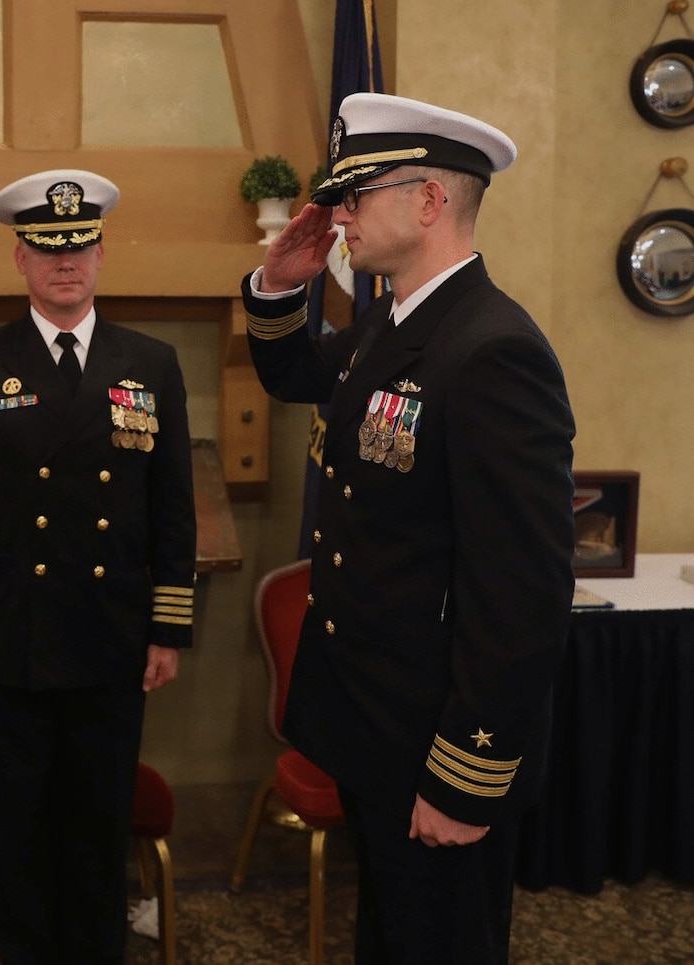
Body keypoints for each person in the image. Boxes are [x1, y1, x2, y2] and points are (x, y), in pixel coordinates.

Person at [243, 93, 576, 963]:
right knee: (391, 939)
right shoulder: (391, 322)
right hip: (376, 728)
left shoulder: (492, 349)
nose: (340, 213)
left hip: (437, 742)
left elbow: (522, 597)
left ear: (428, 200)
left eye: (358, 194)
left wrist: (466, 778)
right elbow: (292, 373)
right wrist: (281, 284)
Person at [0, 169, 197, 964]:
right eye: (48, 250)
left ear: (102, 253)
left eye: (79, 246)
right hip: (12, 641)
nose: (65, 263)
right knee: (18, 831)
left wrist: (167, 627)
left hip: (111, 641)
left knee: (96, 828)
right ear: (21, 260)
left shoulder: (150, 362)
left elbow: (173, 508)